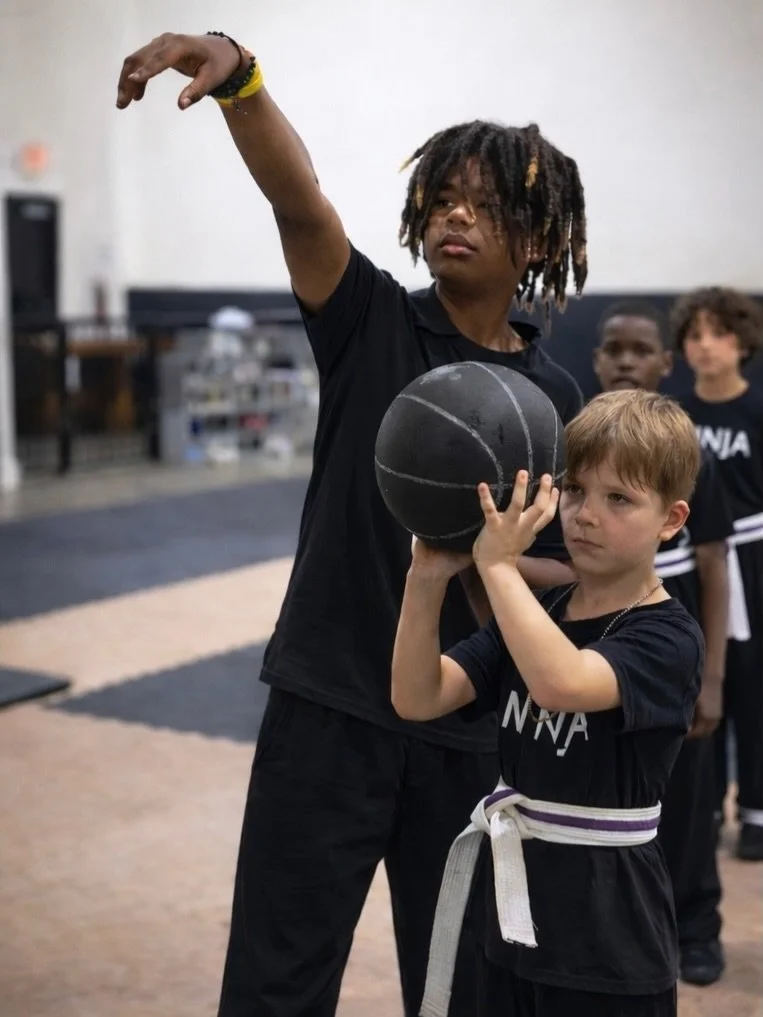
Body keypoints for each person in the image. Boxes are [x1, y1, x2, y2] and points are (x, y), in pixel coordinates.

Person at [116, 30, 587, 1017]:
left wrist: (506, 575)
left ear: (537, 240)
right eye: (444, 197)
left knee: (461, 988)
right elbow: (300, 201)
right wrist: (240, 79)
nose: (456, 213)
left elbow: (553, 577)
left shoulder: (553, 396)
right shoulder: (366, 316)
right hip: (328, 705)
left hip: (466, 728)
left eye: (486, 203)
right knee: (276, 984)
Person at [392, 389, 704, 1017]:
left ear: (671, 520)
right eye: (577, 491)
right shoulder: (544, 615)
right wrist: (425, 579)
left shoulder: (668, 636)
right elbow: (418, 696)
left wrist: (500, 569)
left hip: (609, 940)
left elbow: (562, 684)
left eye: (619, 499)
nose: (587, 515)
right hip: (513, 921)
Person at [593, 300, 731, 986]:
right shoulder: (579, 448)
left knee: (689, 801)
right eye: (611, 348)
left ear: (663, 365)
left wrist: (709, 680)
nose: (623, 360)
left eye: (638, 349)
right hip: (599, 663)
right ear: (593, 361)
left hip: (673, 663)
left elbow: (712, 564)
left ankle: (696, 925)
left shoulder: (688, 451)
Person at [671, 287, 763, 863]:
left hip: (753, 559)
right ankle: (701, 805)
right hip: (693, 563)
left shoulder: (757, 410)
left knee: (754, 685)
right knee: (700, 680)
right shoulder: (676, 414)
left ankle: (755, 811)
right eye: (695, 335)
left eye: (719, 333)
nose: (706, 346)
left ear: (743, 341)